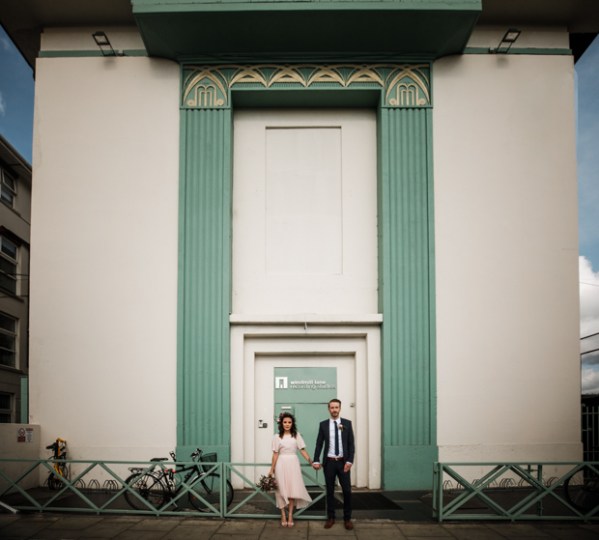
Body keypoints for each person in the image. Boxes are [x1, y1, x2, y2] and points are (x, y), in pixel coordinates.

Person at [312, 398, 355, 530]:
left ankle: (347, 518)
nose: (334, 410)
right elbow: (319, 444)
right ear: (329, 409)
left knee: (347, 491)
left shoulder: (347, 423)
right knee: (329, 491)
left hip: (343, 463)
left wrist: (349, 461)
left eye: (336, 407)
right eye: (332, 407)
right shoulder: (323, 424)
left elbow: (351, 444)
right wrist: (316, 459)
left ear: (340, 408)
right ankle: (331, 518)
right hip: (329, 463)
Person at [269, 412, 313, 527]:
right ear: (281, 423)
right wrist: (272, 469)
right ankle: (283, 514)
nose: (287, 424)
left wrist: (311, 461)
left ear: (292, 423)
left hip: (293, 463)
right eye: (285, 422)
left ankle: (290, 515)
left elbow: (302, 450)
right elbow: (275, 454)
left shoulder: (296, 435)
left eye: (289, 422)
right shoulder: (277, 437)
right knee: (281, 490)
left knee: (291, 490)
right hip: (281, 463)